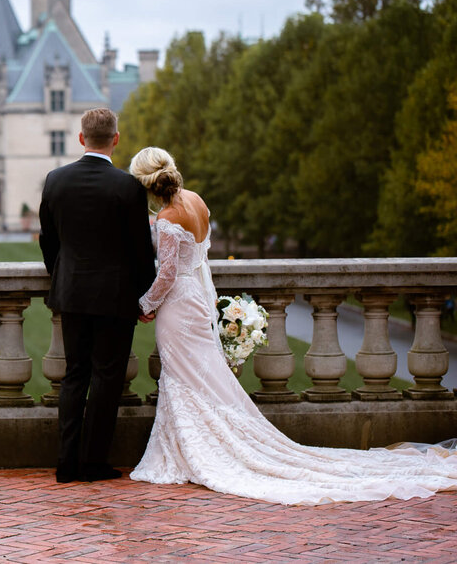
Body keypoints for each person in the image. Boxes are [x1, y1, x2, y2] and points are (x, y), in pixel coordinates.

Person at [127, 146, 457, 505]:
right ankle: (201, 444)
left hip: (178, 305)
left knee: (182, 378)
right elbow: (193, 253)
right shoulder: (195, 201)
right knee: (203, 378)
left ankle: (189, 450)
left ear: (146, 184)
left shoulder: (166, 220)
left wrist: (145, 305)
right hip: (196, 301)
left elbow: (168, 273)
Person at [39, 108, 156, 483]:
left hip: (71, 293)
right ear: (116, 139)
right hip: (115, 298)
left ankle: (66, 463)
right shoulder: (128, 187)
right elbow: (141, 251)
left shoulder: (55, 181)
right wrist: (146, 297)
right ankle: (93, 463)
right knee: (107, 379)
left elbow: (49, 242)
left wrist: (62, 276)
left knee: (75, 376)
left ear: (81, 138)